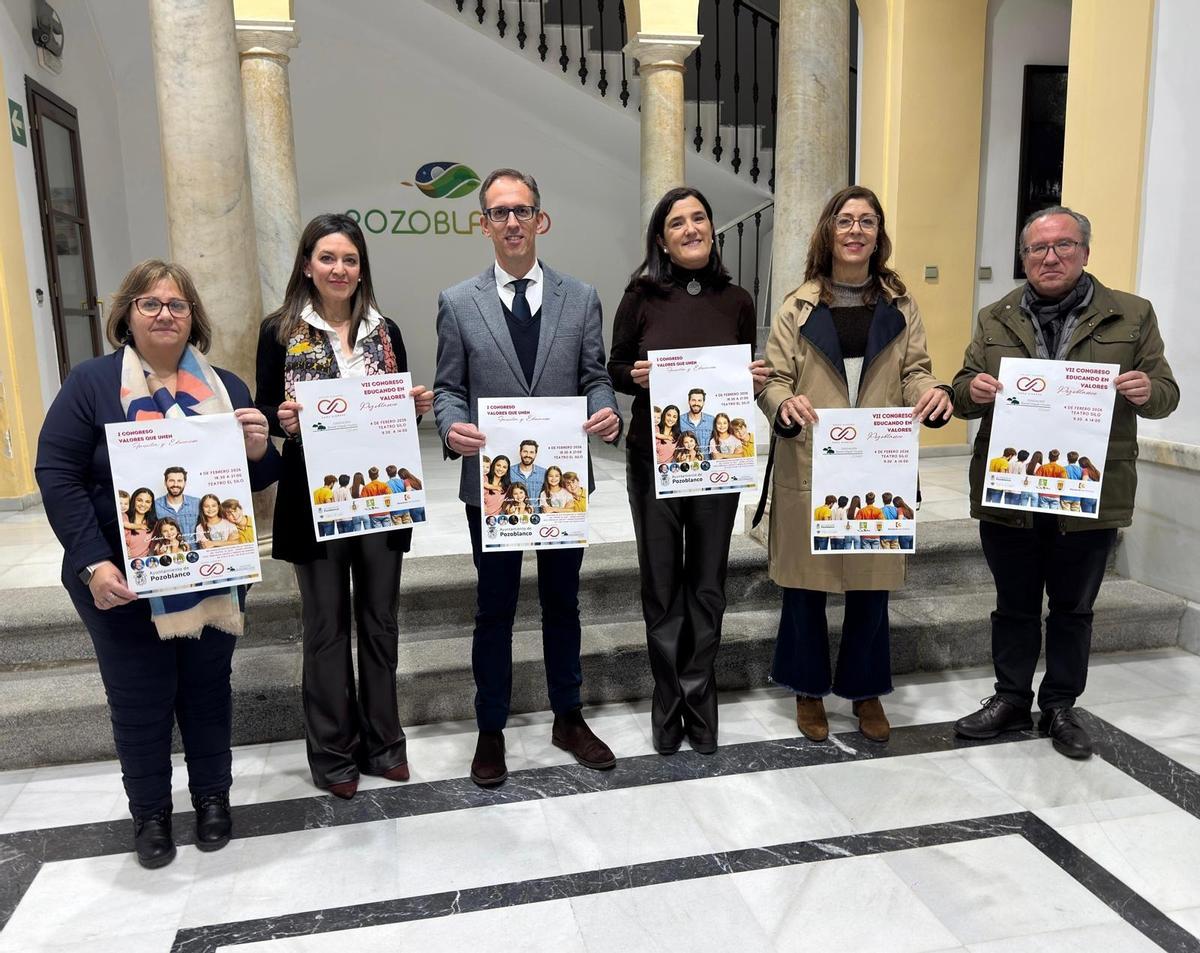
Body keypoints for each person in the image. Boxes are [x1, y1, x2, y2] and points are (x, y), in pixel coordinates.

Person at [35, 260, 279, 869]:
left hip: (209, 571)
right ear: (127, 315)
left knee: (206, 689)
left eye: (176, 303)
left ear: (192, 315)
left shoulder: (227, 388)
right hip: (118, 577)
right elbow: (56, 472)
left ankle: (213, 801)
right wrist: (91, 562)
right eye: (150, 303)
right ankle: (149, 814)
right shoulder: (91, 383)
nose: (164, 313)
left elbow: (256, 480)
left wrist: (257, 448)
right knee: (139, 697)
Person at [952, 205, 1178, 759]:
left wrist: (1149, 392)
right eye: (1037, 249)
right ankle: (1009, 699)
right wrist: (971, 391)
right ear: (1024, 257)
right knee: (1014, 604)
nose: (1049, 258)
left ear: (1084, 252)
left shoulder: (1132, 314)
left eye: (1063, 246)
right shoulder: (994, 315)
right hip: (1012, 489)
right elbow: (959, 389)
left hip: (1088, 493)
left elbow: (1166, 392)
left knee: (1074, 609)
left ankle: (1059, 706)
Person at [434, 167, 622, 785]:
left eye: (522, 211)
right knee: (494, 609)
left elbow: (595, 374)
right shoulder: (458, 302)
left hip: (562, 482)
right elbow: (448, 387)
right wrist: (452, 426)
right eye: (498, 213)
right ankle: (491, 728)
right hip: (490, 484)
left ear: (540, 220)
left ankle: (568, 716)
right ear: (483, 224)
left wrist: (607, 408)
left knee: (562, 604)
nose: (511, 222)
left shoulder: (582, 296)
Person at [755, 185, 953, 745]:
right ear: (829, 230)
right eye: (846, 220)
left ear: (878, 234)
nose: (856, 230)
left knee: (870, 585)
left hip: (876, 463)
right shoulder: (797, 305)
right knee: (805, 584)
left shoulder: (899, 303)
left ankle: (866, 692)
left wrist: (929, 393)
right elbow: (773, 379)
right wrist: (783, 406)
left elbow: (916, 369)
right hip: (811, 458)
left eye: (867, 221)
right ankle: (807, 688)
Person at [256, 212, 433, 799]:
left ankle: (384, 742)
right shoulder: (278, 332)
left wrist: (413, 407)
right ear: (307, 264)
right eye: (327, 258)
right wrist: (281, 421)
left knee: (380, 622)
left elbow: (392, 412)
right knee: (327, 628)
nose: (339, 269)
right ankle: (333, 752)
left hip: (381, 498)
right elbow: (265, 414)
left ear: (362, 270)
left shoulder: (387, 331)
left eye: (350, 259)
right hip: (315, 501)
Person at [607, 185, 767, 754]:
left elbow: (741, 373)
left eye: (700, 218)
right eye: (678, 223)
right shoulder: (641, 296)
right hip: (654, 460)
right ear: (662, 239)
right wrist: (637, 378)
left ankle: (700, 698)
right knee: (661, 583)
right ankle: (666, 699)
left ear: (712, 229)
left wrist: (753, 380)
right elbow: (616, 366)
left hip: (715, 465)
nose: (691, 228)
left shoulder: (738, 300)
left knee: (706, 583)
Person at [155, 466, 201, 548]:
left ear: (185, 483)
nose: (175, 484)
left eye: (179, 481)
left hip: (195, 554)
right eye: (171, 481)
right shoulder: (155, 505)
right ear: (165, 483)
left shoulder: (197, 503)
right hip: (168, 555)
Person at [679, 388, 715, 459]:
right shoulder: (680, 420)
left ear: (703, 402)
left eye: (699, 400)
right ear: (689, 401)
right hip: (687, 463)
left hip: (707, 463)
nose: (696, 403)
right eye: (693, 400)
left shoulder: (711, 420)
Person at [123, 488, 158, 560]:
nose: (143, 504)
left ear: (151, 506)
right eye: (139, 500)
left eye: (147, 502)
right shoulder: (123, 518)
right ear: (133, 501)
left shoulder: (154, 524)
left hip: (143, 564)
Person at [510, 439, 547, 505]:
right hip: (515, 513)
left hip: (537, 514)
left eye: (531, 452)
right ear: (520, 452)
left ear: (535, 454)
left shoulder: (544, 473)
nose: (528, 455)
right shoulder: (510, 471)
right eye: (525, 451)